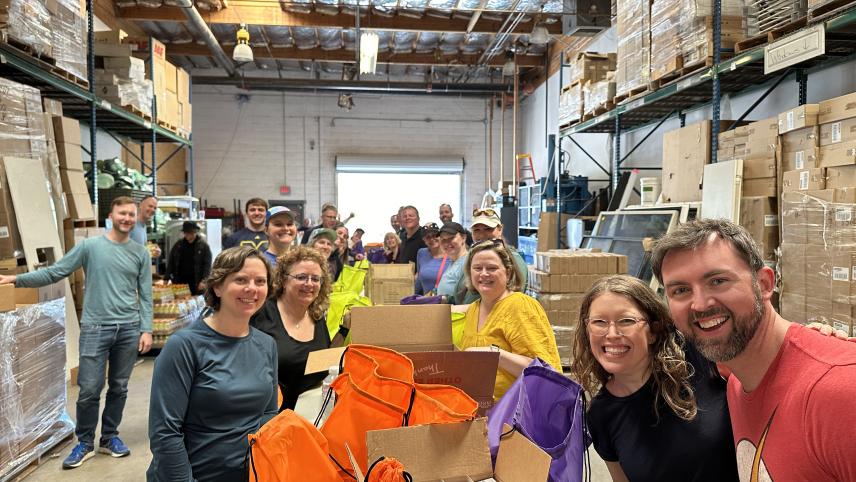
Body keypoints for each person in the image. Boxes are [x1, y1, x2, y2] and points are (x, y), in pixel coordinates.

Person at [652, 219, 856, 481]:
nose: (700, 304)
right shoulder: (738, 383)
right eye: (680, 290)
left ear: (764, 284)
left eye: (718, 281)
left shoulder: (838, 393)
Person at [0, 196, 153, 469]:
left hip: (129, 329)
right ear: (111, 215)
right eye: (122, 213)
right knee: (89, 390)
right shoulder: (89, 247)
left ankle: (109, 438)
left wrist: (146, 329)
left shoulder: (140, 253)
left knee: (119, 387)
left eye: (131, 214)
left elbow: (146, 294)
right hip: (96, 328)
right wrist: (16, 278)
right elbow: (55, 272)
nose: (127, 218)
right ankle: (84, 442)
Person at [570, 275, 739, 482]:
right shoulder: (601, 414)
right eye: (599, 322)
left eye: (626, 321)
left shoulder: (698, 356)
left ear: (653, 331)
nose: (612, 333)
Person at [147, 247, 278, 482]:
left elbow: (269, 413)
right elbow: (165, 433)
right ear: (217, 286)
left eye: (260, 281)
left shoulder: (266, 345)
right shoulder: (184, 346)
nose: (252, 288)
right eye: (240, 279)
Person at [250, 246, 350, 411]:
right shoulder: (262, 313)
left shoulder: (315, 316)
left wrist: (345, 328)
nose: (309, 284)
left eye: (316, 279)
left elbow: (325, 359)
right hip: (268, 419)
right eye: (301, 277)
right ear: (283, 280)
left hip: (309, 415)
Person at [460, 239, 561, 400]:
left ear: (508, 273)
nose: (484, 274)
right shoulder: (474, 309)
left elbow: (546, 371)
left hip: (514, 416)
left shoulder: (520, 306)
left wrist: (494, 353)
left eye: (492, 268)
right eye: (477, 268)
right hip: (481, 415)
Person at [444, 209, 529, 306]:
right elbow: (465, 297)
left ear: (500, 229)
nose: (482, 234)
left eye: (488, 228)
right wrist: (442, 299)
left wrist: (461, 310)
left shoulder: (512, 259)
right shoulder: (475, 258)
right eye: (477, 230)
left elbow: (509, 304)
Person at [165, 221, 212, 296]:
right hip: (180, 282)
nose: (185, 234)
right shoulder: (179, 245)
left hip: (196, 281)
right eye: (185, 232)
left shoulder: (203, 246)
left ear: (195, 232)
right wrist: (166, 278)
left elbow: (207, 265)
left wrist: (204, 281)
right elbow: (171, 262)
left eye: (188, 232)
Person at [435, 222, 470, 302]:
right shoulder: (454, 262)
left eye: (451, 238)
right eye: (443, 239)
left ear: (463, 238)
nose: (447, 243)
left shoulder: (467, 262)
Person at [414, 223, 449, 296]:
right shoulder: (421, 253)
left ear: (441, 236)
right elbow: (419, 280)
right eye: (428, 237)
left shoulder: (451, 254)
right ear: (424, 240)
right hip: (428, 303)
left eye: (434, 235)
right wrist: (408, 297)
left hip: (447, 302)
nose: (432, 239)